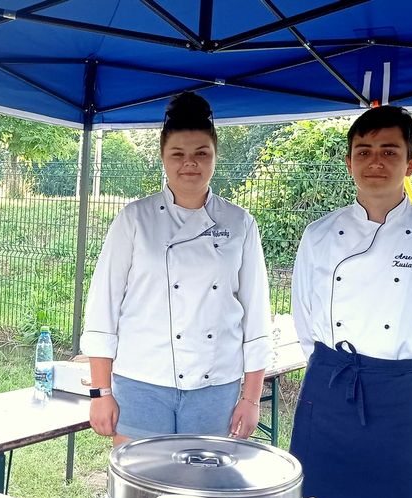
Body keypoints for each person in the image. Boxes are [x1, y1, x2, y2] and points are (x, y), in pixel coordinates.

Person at [289, 105, 412, 498]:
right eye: (364, 150)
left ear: (411, 163)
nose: (375, 161)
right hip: (329, 390)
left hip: (402, 398)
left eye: (389, 152)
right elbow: (304, 314)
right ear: (349, 161)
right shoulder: (319, 234)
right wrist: (323, 369)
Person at [81, 92, 272, 446]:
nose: (190, 164)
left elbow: (257, 318)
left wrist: (250, 398)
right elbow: (102, 309)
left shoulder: (240, 222)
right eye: (178, 154)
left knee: (204, 492)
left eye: (201, 154)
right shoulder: (135, 218)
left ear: (215, 156)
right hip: (142, 381)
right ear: (163, 157)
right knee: (137, 492)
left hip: (215, 386)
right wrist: (100, 391)